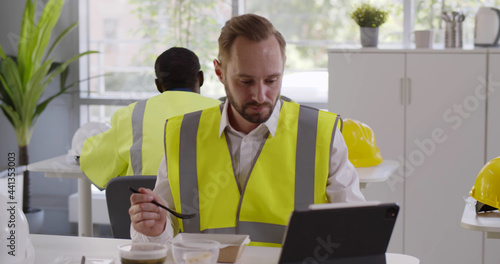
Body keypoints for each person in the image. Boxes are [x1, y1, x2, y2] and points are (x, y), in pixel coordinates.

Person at [129, 14, 365, 247]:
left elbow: (356, 231)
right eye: (246, 81)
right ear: (220, 73)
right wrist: (155, 229)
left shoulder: (321, 134)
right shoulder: (183, 134)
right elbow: (159, 233)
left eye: (272, 81)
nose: (260, 96)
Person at [80, 47, 221, 189]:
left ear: (158, 85)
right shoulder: (223, 112)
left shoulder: (130, 115)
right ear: (201, 78)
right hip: (207, 208)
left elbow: (93, 163)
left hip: (146, 207)